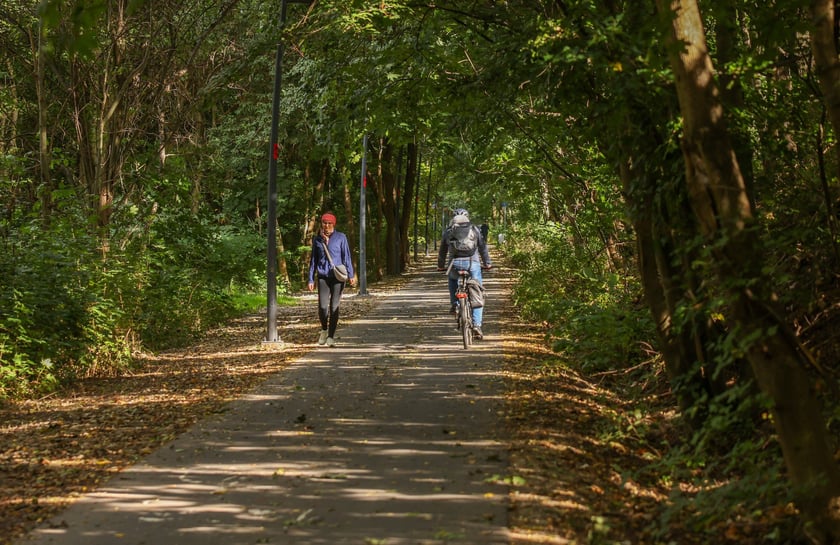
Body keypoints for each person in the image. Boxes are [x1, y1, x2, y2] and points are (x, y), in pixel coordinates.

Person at [436, 208, 491, 339]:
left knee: (452, 279)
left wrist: (440, 266)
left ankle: (455, 304)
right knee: (476, 292)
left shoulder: (448, 231)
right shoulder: (475, 229)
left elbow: (442, 250)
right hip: (473, 263)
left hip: (454, 264)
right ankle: (477, 325)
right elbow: (482, 247)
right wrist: (487, 263)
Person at [308, 212, 356, 347]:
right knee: (323, 307)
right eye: (324, 223)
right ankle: (324, 329)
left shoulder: (341, 237)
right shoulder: (317, 240)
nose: (327, 226)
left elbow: (346, 257)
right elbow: (313, 260)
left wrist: (351, 275)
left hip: (338, 277)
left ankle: (331, 337)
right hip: (323, 276)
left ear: (333, 224)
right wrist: (311, 279)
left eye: (329, 223)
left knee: (334, 307)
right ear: (321, 224)